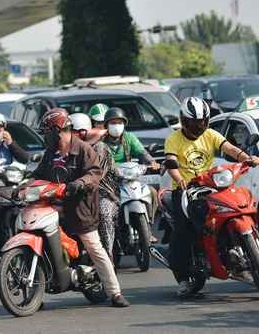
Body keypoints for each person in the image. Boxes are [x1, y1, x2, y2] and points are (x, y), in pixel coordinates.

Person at [25, 108, 129, 307]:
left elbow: (94, 173)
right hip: (51, 208)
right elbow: (37, 175)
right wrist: (23, 187)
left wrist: (79, 184)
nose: (45, 134)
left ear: (57, 129)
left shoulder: (83, 150)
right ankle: (32, 292)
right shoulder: (51, 152)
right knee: (34, 238)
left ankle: (114, 292)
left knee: (94, 247)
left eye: (47, 130)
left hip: (79, 209)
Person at [165, 97, 259, 297]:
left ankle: (239, 265)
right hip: (183, 190)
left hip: (209, 185)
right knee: (182, 231)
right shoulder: (173, 138)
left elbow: (231, 149)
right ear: (183, 120)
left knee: (229, 212)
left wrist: (248, 159)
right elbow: (171, 162)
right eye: (193, 122)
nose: (198, 126)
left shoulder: (210, 134)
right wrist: (180, 179)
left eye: (201, 122)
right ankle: (182, 278)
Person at [70, 113, 120, 266]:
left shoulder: (99, 147)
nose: (73, 135)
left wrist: (78, 183)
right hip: (77, 193)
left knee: (104, 213)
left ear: (84, 132)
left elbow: (95, 176)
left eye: (76, 132)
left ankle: (107, 255)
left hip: (105, 193)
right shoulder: (68, 149)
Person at [101, 107, 159, 236]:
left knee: (153, 193)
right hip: (108, 181)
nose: (116, 126)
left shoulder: (129, 137)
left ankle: (148, 227)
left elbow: (141, 152)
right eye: (113, 123)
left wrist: (151, 162)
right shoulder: (101, 141)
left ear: (124, 124)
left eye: (119, 123)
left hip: (129, 178)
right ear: (106, 125)